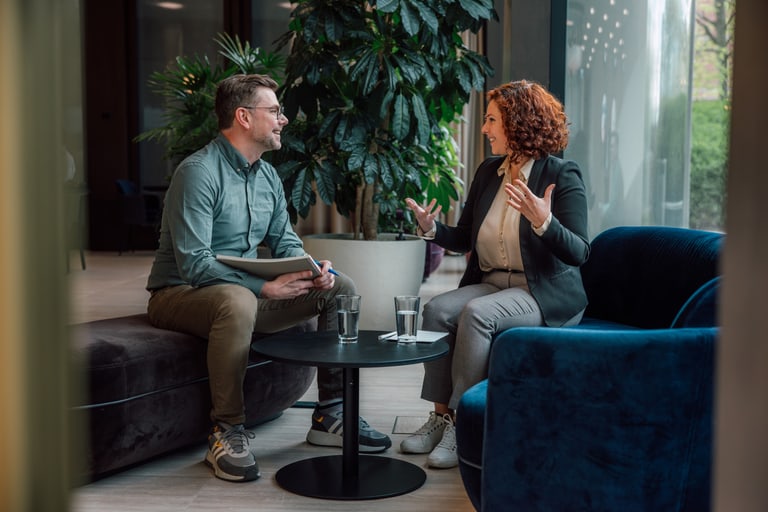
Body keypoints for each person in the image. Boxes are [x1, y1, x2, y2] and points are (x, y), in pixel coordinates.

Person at [145, 74, 391, 483]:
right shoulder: (198, 173)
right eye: (274, 111)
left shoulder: (267, 176)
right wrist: (263, 288)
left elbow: (284, 241)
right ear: (243, 117)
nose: (284, 119)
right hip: (180, 294)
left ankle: (331, 414)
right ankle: (226, 431)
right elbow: (194, 264)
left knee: (341, 287)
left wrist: (313, 271)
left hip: (240, 297)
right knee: (237, 301)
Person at [401, 79, 590, 468]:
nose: (484, 129)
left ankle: (466, 424)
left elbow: (579, 252)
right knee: (436, 310)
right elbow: (466, 235)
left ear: (518, 122)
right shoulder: (489, 172)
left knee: (477, 315)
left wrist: (544, 221)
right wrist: (431, 229)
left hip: (540, 291)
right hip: (491, 282)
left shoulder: (561, 174)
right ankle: (441, 417)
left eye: (490, 120)